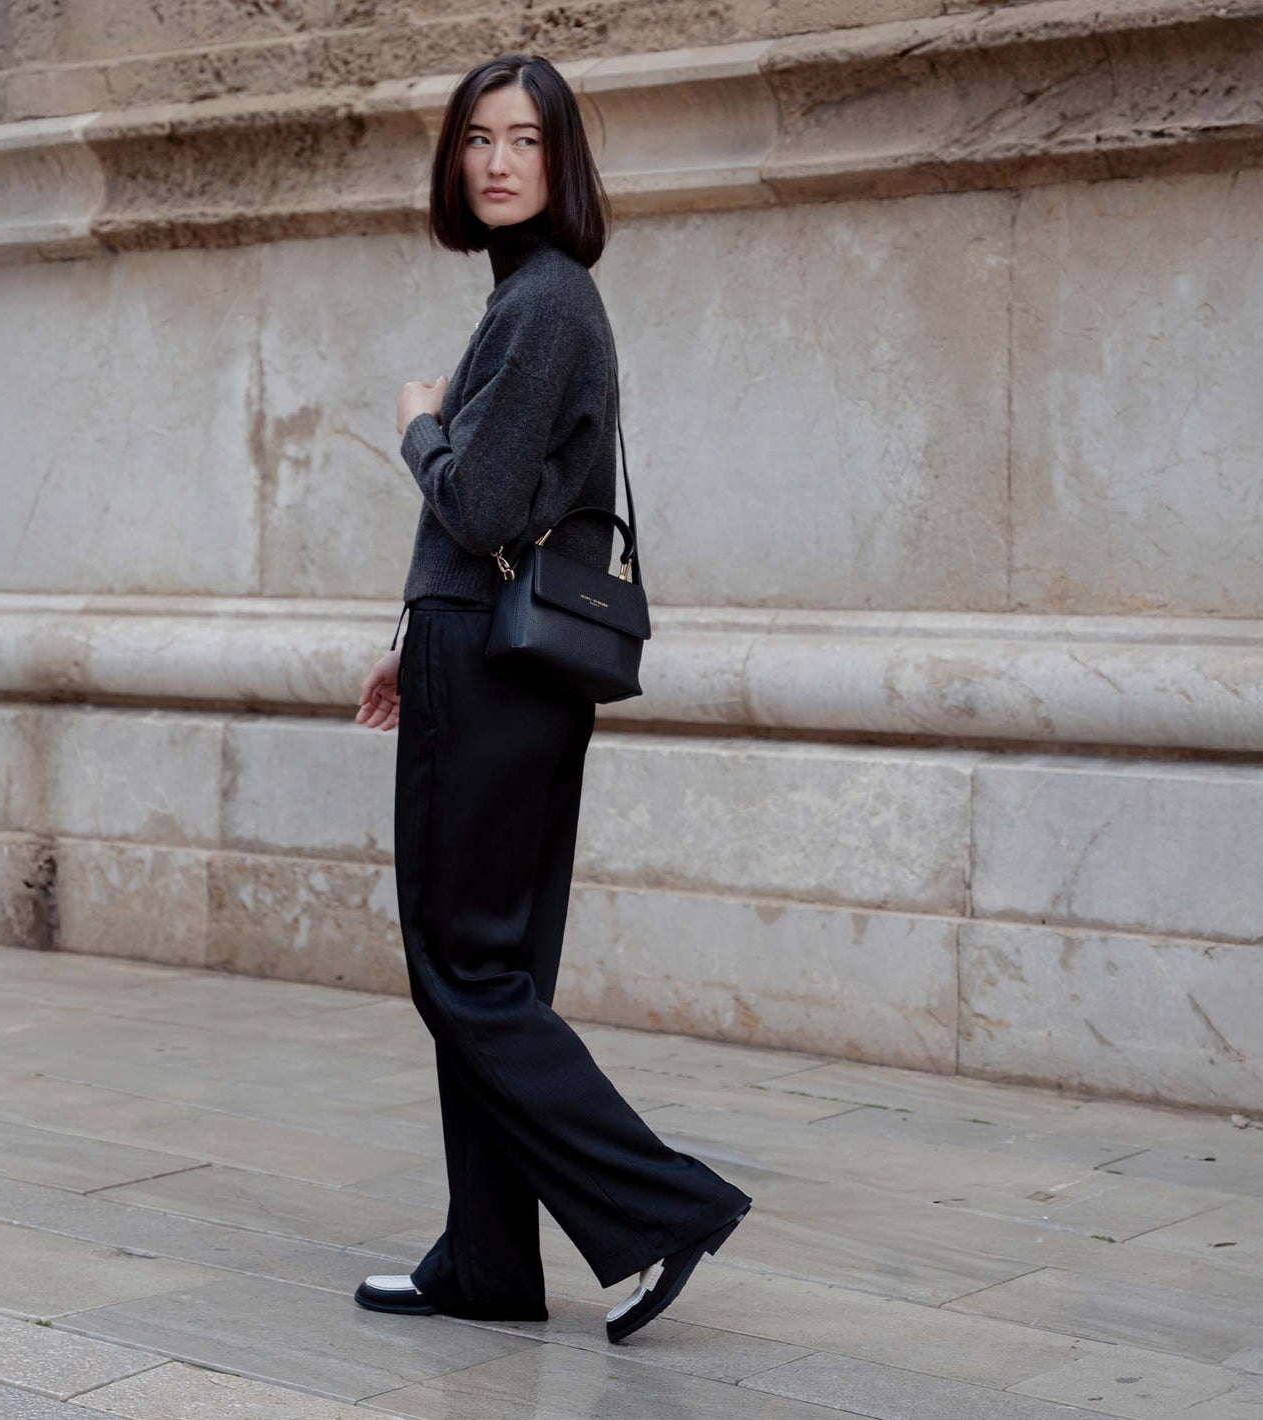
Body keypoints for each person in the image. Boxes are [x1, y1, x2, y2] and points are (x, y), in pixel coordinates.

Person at [351, 52, 752, 1346]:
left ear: (562, 160)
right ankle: (487, 1262)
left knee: (461, 969)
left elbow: (476, 503)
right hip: (500, 661)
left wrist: (417, 423)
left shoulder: (542, 304)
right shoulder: (540, 299)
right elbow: (516, 512)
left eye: (525, 139)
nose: (497, 162)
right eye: (478, 138)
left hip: (489, 672)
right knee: (499, 965)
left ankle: (660, 1207)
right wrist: (411, 634)